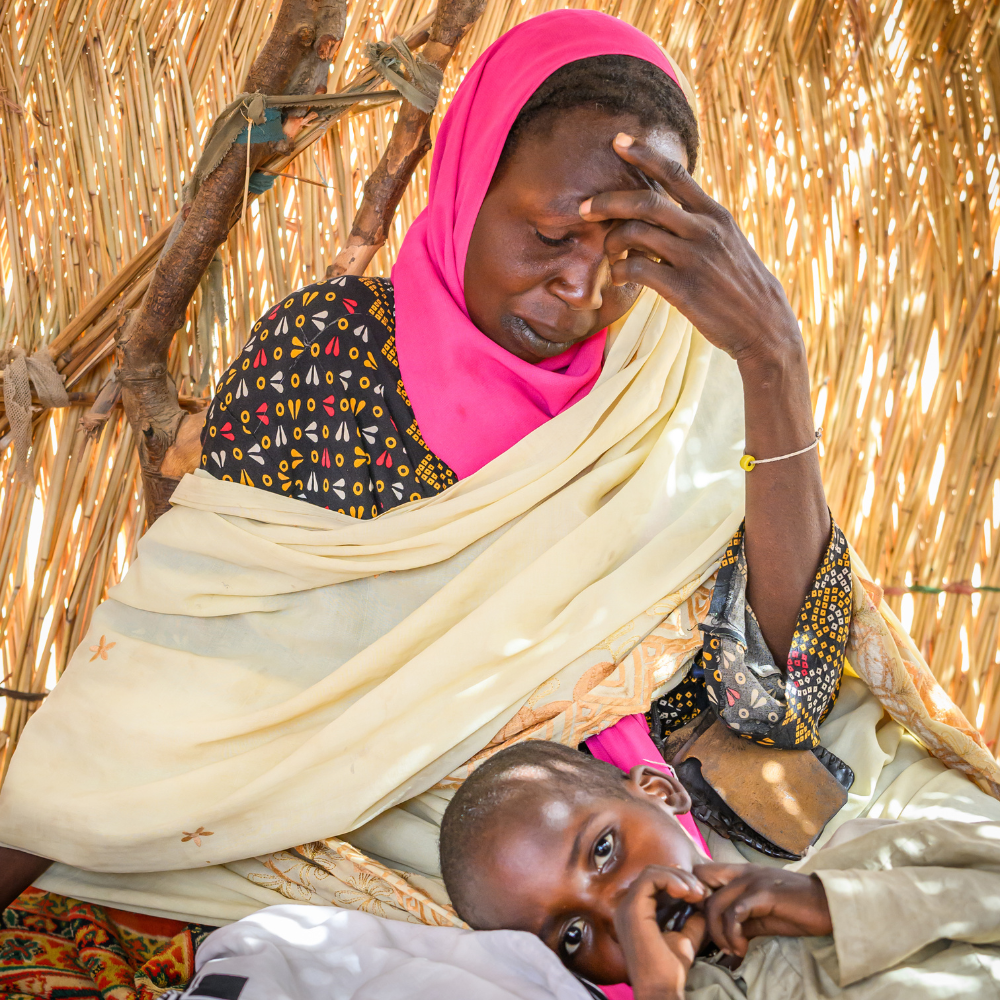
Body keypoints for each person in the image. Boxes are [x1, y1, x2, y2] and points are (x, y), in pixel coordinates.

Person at [0, 9, 997, 998]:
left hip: (679, 826)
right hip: (418, 828)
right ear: (469, 182)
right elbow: (187, 646)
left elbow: (785, 692)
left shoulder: (680, 373)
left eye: (627, 251)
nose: (578, 286)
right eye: (551, 233)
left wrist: (773, 364)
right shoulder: (334, 361)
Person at [439, 740, 1000, 1000]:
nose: (618, 910)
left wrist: (830, 902)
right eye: (573, 935)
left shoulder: (859, 860)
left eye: (604, 850)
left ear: (659, 792)